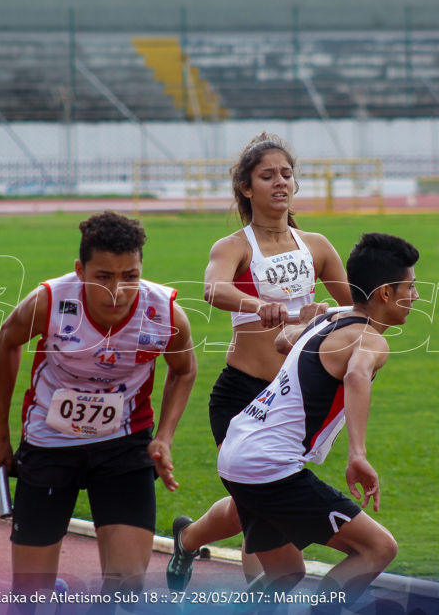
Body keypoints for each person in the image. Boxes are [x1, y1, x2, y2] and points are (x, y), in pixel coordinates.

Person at [0, 211, 196, 604]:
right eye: (104, 277)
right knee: (29, 597)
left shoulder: (164, 312)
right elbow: (7, 342)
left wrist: (164, 436)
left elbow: (184, 370)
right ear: (80, 271)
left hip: (123, 445)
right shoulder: (49, 301)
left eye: (130, 276)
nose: (118, 291)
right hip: (48, 441)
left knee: (127, 589)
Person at [167, 132, 351, 590]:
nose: (280, 182)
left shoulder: (317, 245)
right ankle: (258, 591)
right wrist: (256, 305)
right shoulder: (234, 246)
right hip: (242, 392)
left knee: (257, 500)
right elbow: (213, 290)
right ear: (247, 188)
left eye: (287, 174)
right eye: (267, 175)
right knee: (263, 518)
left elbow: (356, 307)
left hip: (292, 397)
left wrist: (328, 314)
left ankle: (187, 539)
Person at [218, 232, 419, 606]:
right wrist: (357, 454)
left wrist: (303, 325)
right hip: (269, 465)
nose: (416, 297)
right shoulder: (371, 339)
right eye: (411, 286)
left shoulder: (332, 316)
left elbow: (282, 343)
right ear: (386, 293)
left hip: (236, 454)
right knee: (377, 549)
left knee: (286, 573)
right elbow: (358, 374)